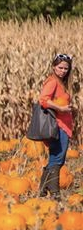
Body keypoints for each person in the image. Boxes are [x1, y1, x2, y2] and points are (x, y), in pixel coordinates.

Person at [38, 53, 73, 198]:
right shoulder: (52, 82)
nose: (63, 71)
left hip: (63, 126)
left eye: (66, 68)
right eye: (60, 67)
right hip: (57, 126)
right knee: (58, 158)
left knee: (56, 157)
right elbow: (43, 100)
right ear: (54, 67)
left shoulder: (60, 83)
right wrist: (61, 109)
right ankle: (55, 192)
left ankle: (43, 189)